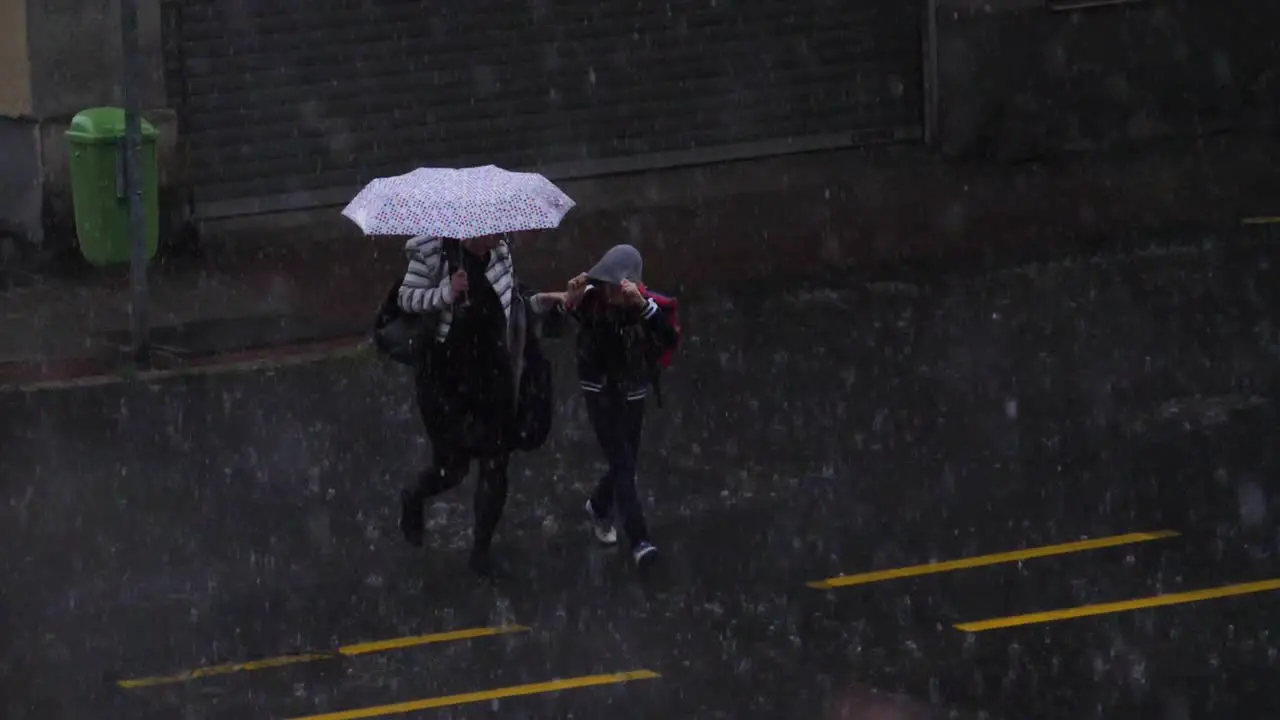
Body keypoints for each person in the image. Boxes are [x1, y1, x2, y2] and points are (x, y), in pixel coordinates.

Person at [396, 232, 547, 577]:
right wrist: (446, 293)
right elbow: (406, 299)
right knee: (453, 467)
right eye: (492, 232)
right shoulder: (431, 252)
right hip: (444, 376)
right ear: (469, 231)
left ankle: (481, 552)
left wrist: (544, 302)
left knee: (496, 461)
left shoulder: (500, 252)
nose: (500, 236)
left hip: (491, 371)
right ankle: (414, 496)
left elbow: (514, 298)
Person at [547, 244, 679, 570]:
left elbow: (669, 337)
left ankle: (598, 505)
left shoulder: (642, 304)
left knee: (628, 458)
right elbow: (550, 331)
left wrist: (644, 309)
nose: (609, 292)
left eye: (614, 286)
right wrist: (567, 303)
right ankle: (640, 542)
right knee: (622, 464)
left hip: (632, 389)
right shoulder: (591, 300)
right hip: (600, 389)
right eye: (605, 284)